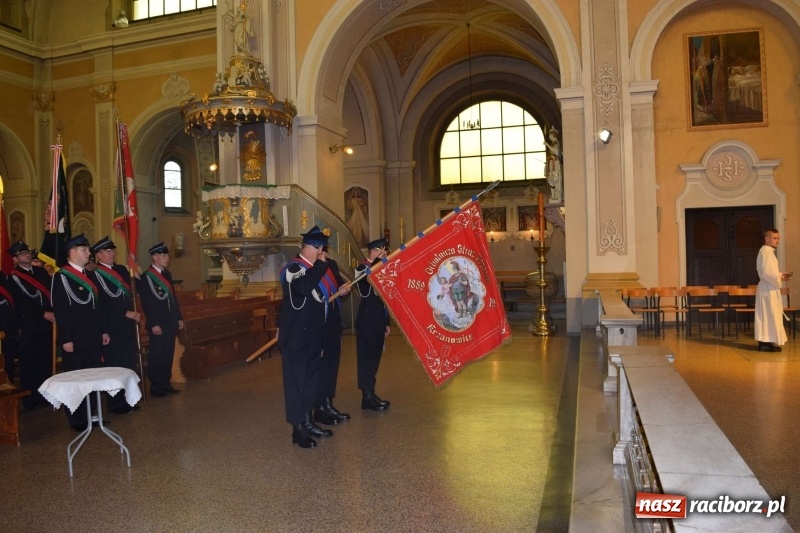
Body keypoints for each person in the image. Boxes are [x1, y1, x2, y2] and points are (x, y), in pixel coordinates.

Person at [278, 226, 334, 448]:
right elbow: (302, 288)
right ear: (313, 248)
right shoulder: (294, 268)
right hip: (295, 340)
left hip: (312, 338)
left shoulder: (312, 269)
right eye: (322, 249)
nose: (324, 254)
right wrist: (320, 265)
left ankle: (308, 421)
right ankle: (297, 429)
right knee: (296, 385)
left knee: (310, 383)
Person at [50, 234, 110, 431]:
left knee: (93, 377)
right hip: (74, 339)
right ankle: (77, 419)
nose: (88, 254)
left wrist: (103, 331)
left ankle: (93, 414)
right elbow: (62, 310)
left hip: (93, 336)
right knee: (76, 379)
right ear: (72, 252)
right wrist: (66, 338)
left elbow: (97, 308)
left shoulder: (89, 276)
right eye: (84, 250)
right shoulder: (61, 277)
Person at [92, 236, 142, 414]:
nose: (111, 253)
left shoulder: (121, 270)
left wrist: (136, 273)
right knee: (115, 364)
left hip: (128, 325)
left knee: (128, 362)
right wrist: (123, 313)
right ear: (98, 255)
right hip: (112, 326)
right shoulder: (94, 274)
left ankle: (129, 400)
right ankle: (115, 403)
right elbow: (101, 304)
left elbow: (134, 290)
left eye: (112, 251)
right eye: (107, 251)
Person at [7, 241, 54, 410]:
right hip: (29, 325)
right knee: (30, 361)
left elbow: (51, 293)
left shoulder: (41, 272)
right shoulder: (13, 278)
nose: (26, 255)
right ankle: (31, 399)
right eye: (22, 254)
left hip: (47, 324)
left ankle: (45, 394)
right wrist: (42, 313)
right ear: (15, 259)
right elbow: (20, 303)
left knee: (44, 360)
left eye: (27, 252)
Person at [138, 242, 184, 397]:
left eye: (167, 255)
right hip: (158, 323)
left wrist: (178, 317)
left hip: (170, 321)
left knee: (168, 353)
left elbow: (173, 298)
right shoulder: (147, 277)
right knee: (157, 354)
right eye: (163, 255)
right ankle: (156, 385)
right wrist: (153, 323)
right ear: (154, 257)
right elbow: (147, 303)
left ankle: (166, 382)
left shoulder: (167, 274)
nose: (167, 258)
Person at [313, 249, 351, 426]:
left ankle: (328, 403)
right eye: (319, 248)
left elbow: (340, 286)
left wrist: (344, 290)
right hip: (318, 322)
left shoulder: (332, 265)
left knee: (331, 364)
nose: (324, 253)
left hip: (334, 321)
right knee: (320, 366)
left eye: (324, 249)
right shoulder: (306, 267)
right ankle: (319, 407)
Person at [354, 238, 391, 411]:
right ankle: (366, 395)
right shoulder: (362, 268)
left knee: (375, 358)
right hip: (367, 320)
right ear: (373, 251)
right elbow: (365, 288)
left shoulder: (379, 268)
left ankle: (370, 393)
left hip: (378, 320)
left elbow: (384, 299)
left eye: (385, 252)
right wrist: (377, 262)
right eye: (381, 251)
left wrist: (386, 322)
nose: (384, 255)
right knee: (366, 359)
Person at [755, 229, 791, 352]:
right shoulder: (766, 253)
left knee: (770, 316)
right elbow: (768, 274)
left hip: (768, 287)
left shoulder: (767, 252)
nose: (777, 241)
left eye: (778, 238)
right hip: (768, 289)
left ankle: (767, 342)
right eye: (775, 238)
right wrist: (778, 276)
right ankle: (764, 344)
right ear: (767, 239)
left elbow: (769, 273)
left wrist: (780, 275)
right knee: (767, 316)